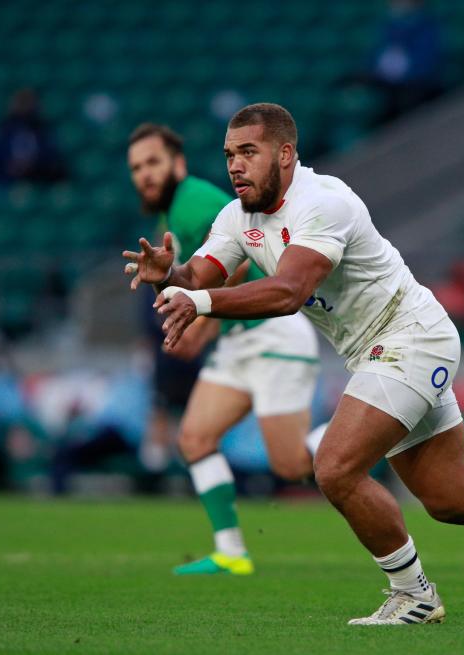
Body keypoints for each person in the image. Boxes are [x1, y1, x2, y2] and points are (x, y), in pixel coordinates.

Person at [123, 103, 464, 624]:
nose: (235, 165)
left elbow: (289, 291)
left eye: (248, 153)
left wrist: (201, 302)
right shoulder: (237, 217)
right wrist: (171, 277)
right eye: (230, 154)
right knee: (453, 498)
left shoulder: (322, 201)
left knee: (336, 468)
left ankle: (414, 594)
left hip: (410, 337)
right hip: (379, 350)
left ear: (285, 154)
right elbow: (200, 275)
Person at [127, 124, 326, 576]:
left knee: (292, 465)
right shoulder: (169, 216)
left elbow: (242, 249)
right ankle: (231, 551)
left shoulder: (194, 200)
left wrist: (199, 326)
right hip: (239, 341)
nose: (144, 174)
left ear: (178, 164)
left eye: (153, 162)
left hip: (272, 334)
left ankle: (360, 435)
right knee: (194, 439)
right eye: (137, 168)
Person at [0, 88, 67, 184]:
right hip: (5, 181)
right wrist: (10, 165)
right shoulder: (3, 128)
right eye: (21, 102)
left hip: (38, 180)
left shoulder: (43, 128)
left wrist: (33, 164)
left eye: (27, 102)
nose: (24, 106)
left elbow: (52, 157)